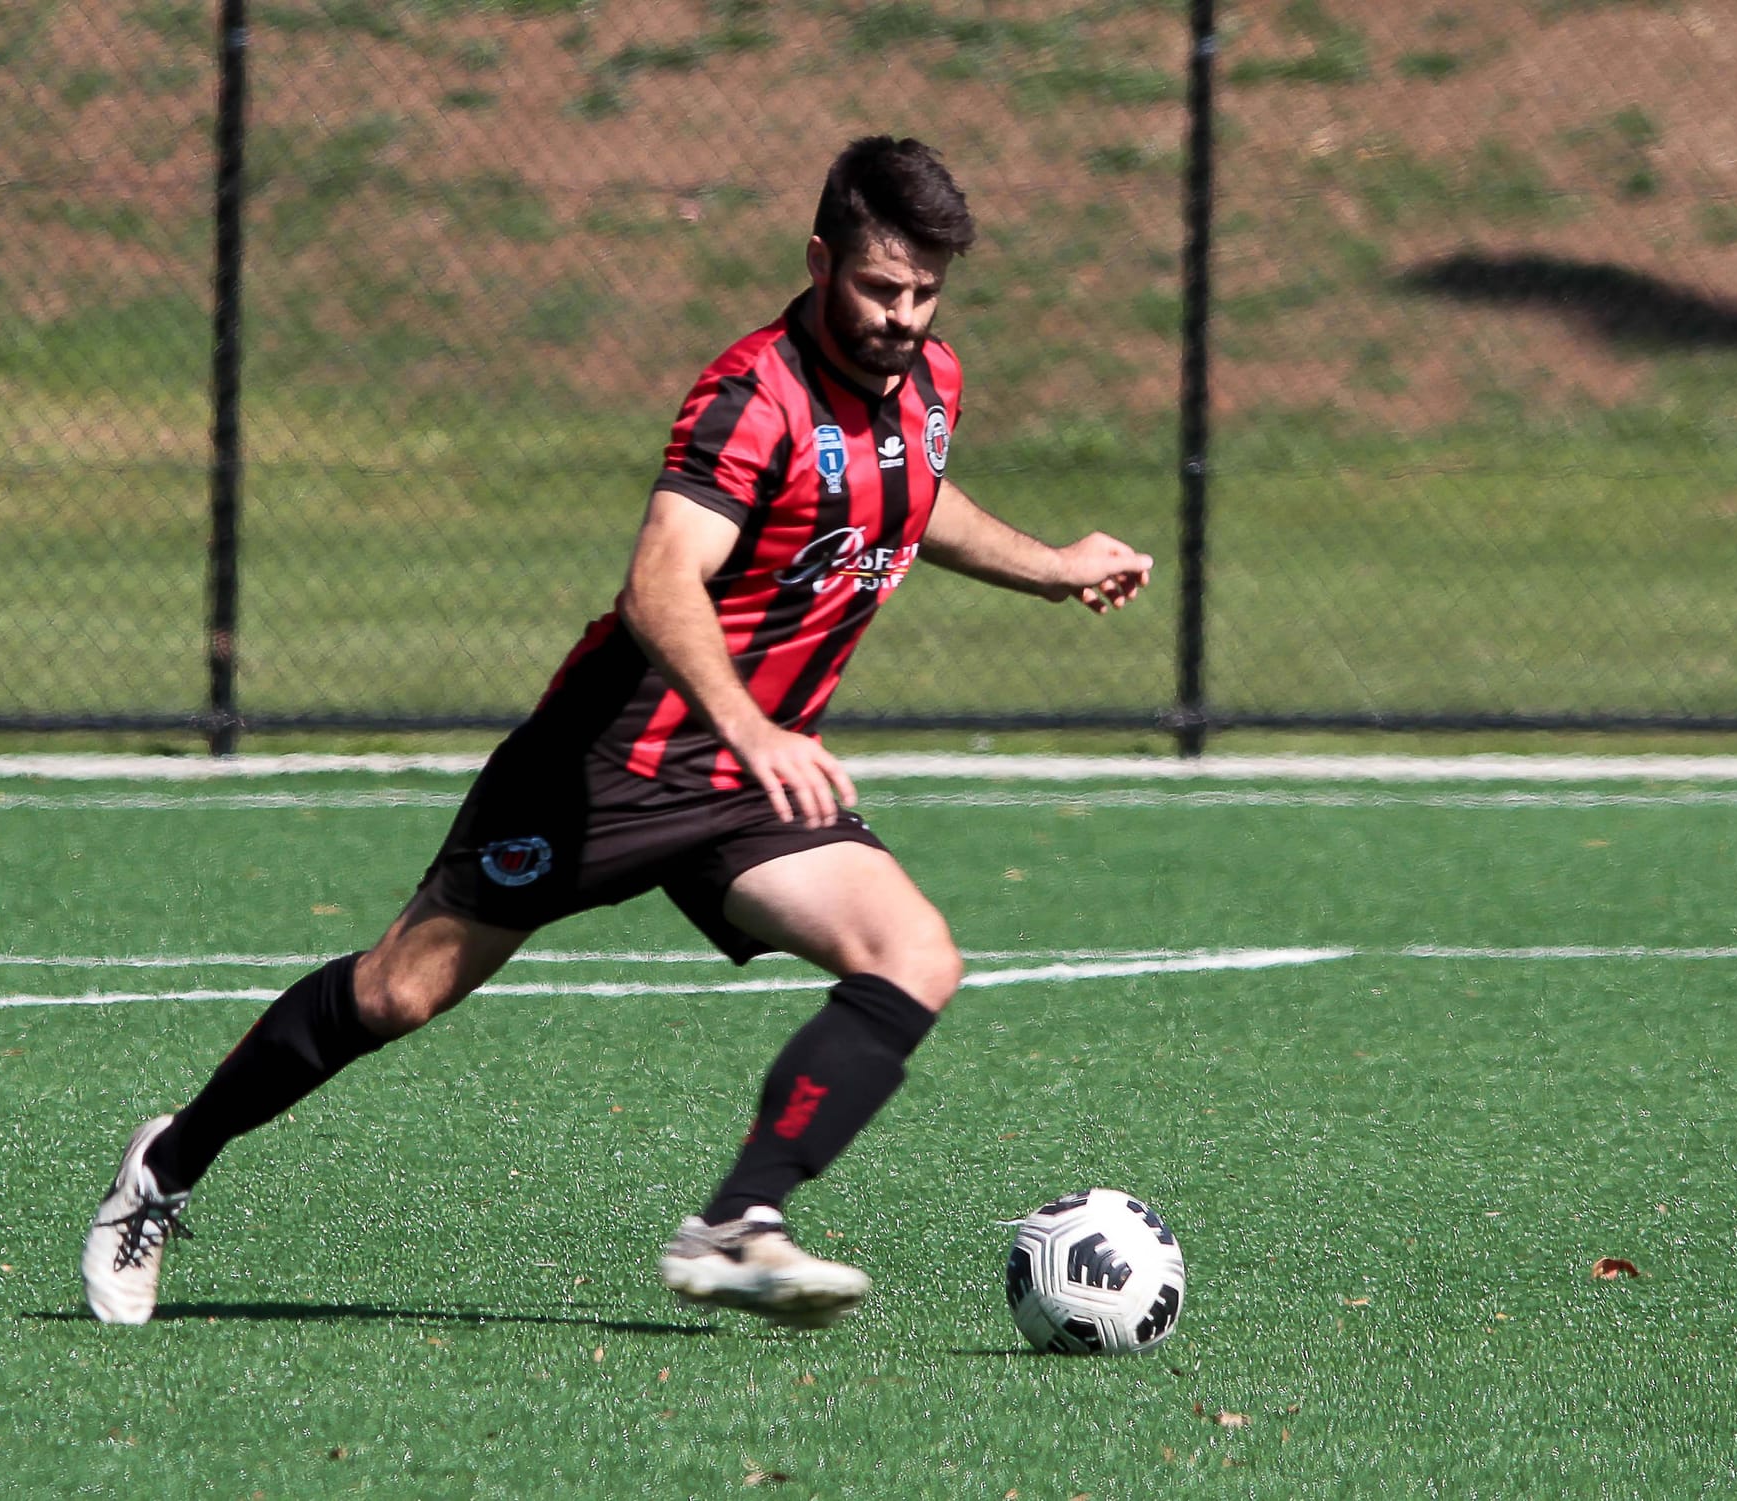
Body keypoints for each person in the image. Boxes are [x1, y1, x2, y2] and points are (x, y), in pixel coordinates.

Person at [82, 135, 1154, 1329]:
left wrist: (1051, 567)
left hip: (749, 782)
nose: (902, 317)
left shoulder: (930, 383)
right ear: (817, 262)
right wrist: (751, 728)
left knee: (914, 956)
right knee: (393, 996)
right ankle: (165, 1166)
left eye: (923, 293)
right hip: (603, 768)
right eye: (878, 288)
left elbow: (907, 498)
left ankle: (738, 1222)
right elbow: (659, 585)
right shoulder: (752, 396)